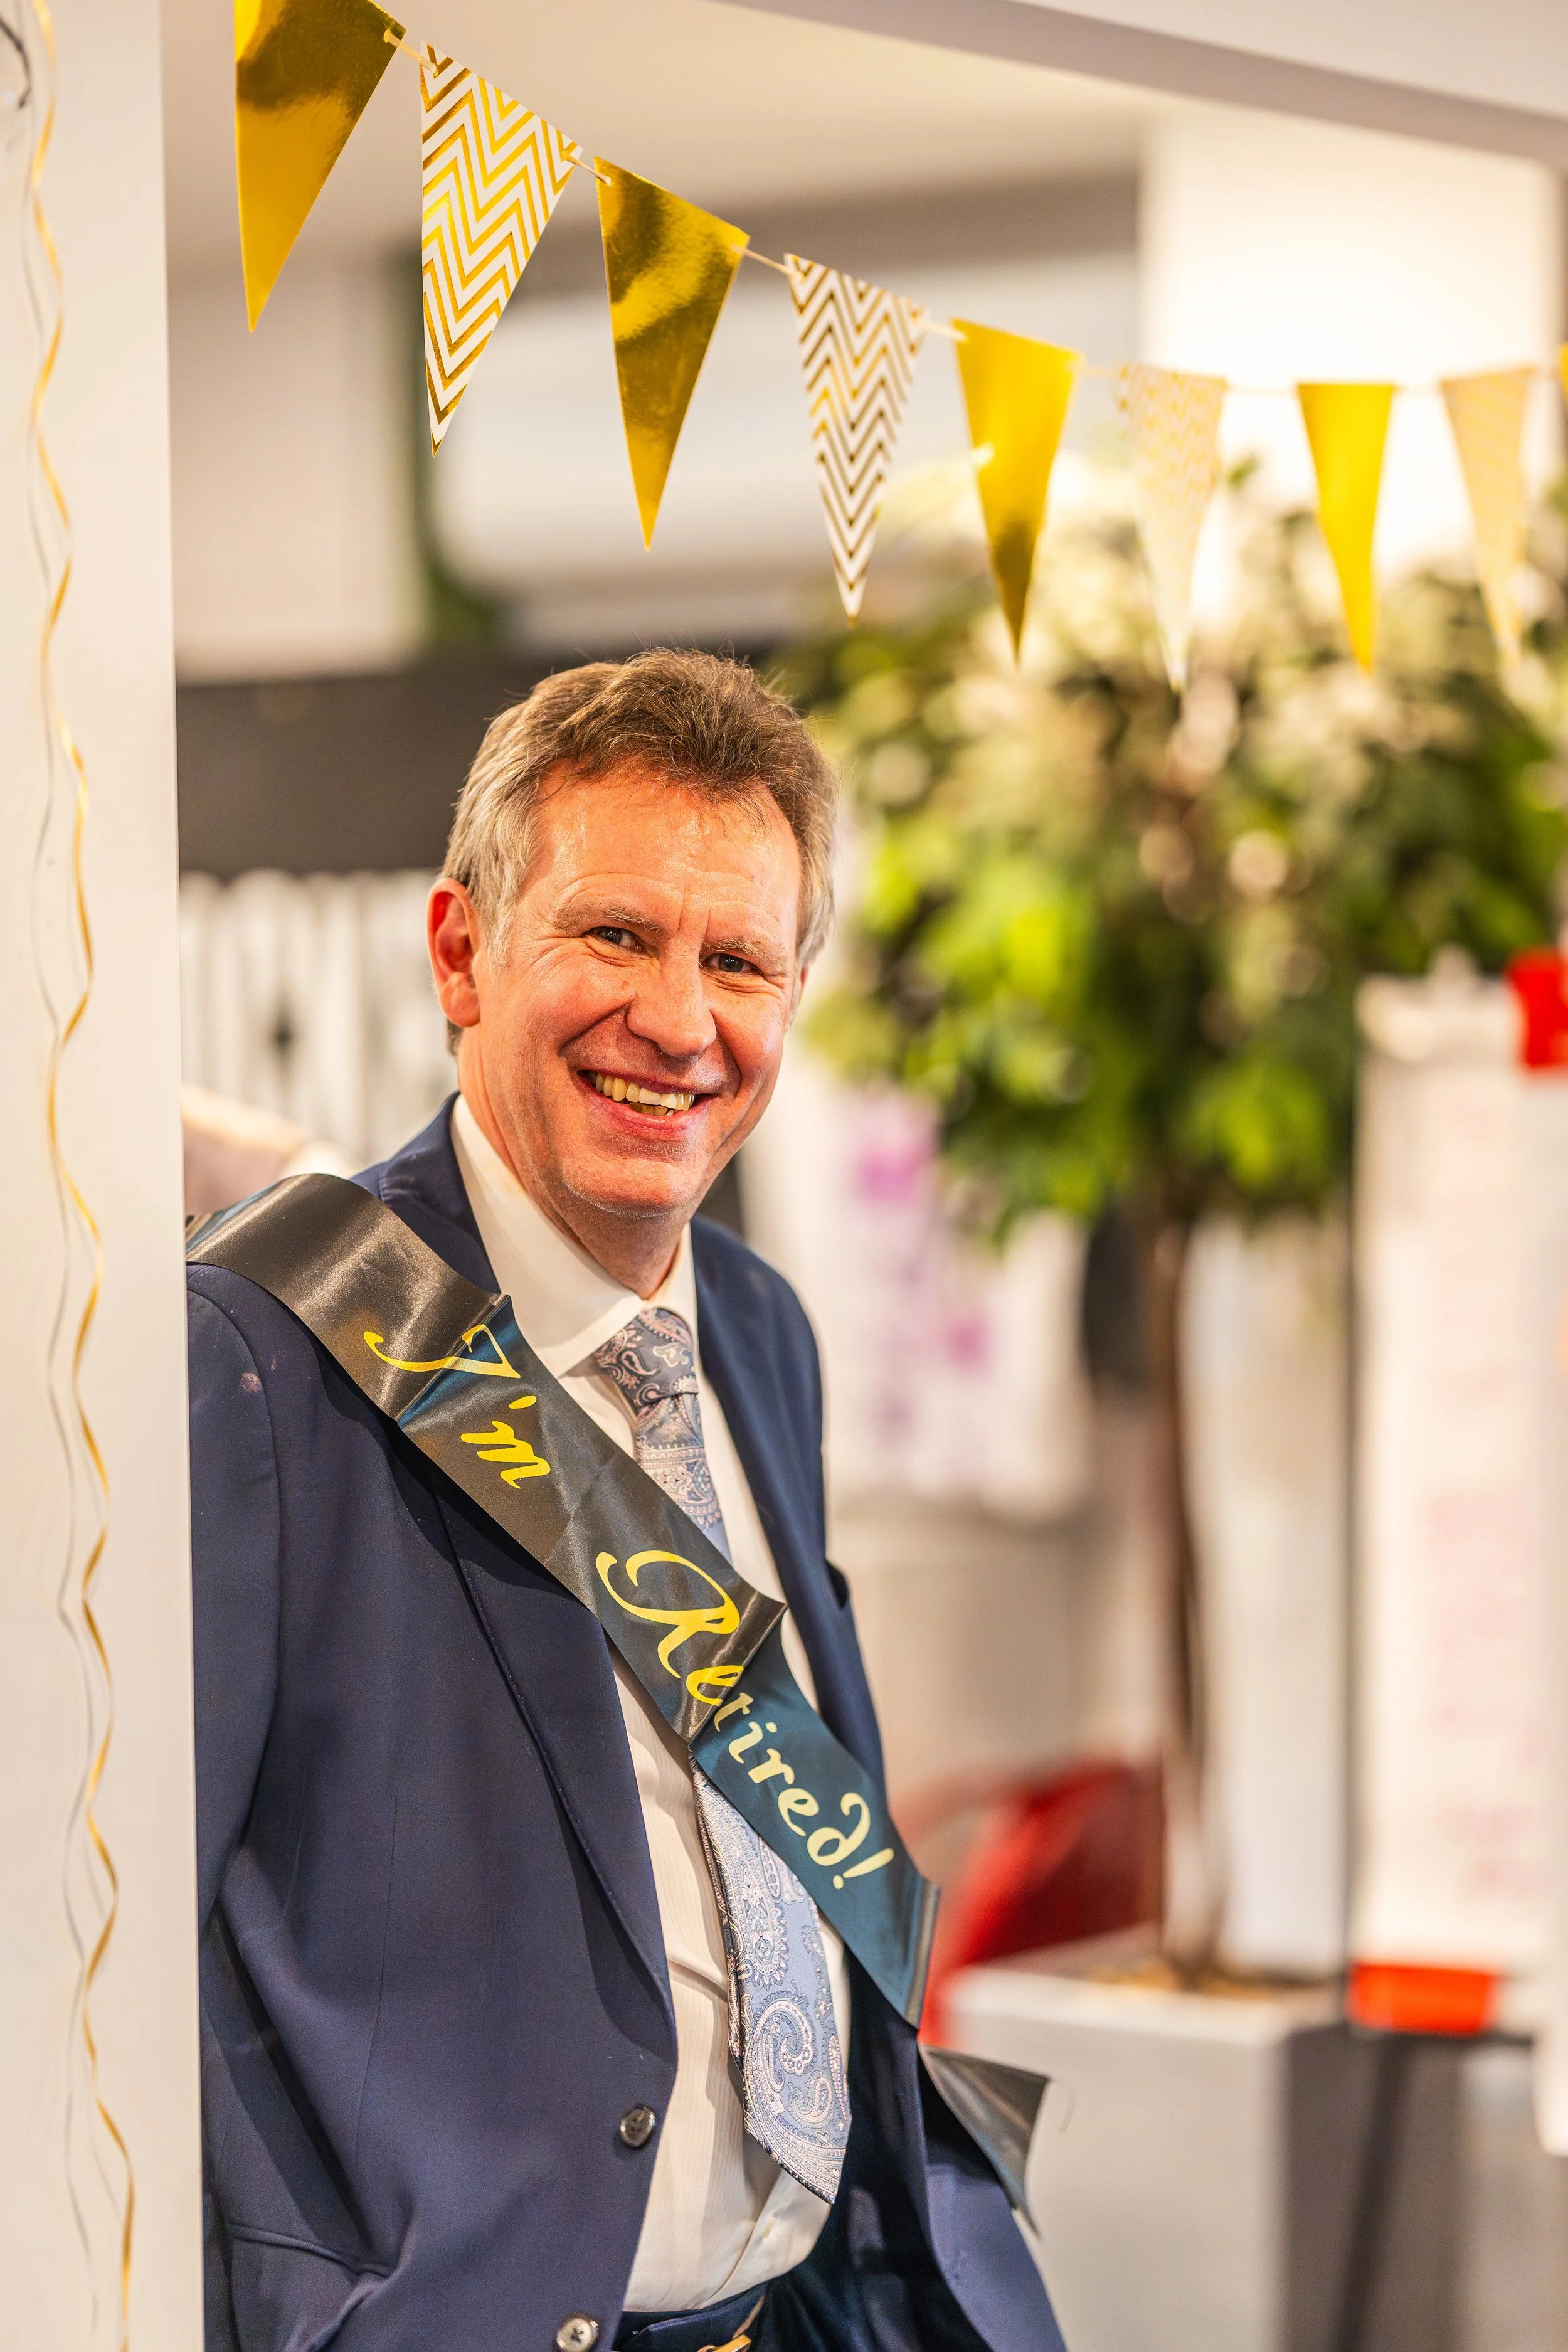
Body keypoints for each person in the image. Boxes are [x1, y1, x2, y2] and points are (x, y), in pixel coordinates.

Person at [187, 650, 1064, 2352]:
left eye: (738, 958)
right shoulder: (259, 1353)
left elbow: (807, 1825)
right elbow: (117, 1952)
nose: (678, 1019)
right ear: (460, 950)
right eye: (613, 934)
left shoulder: (757, 1329)